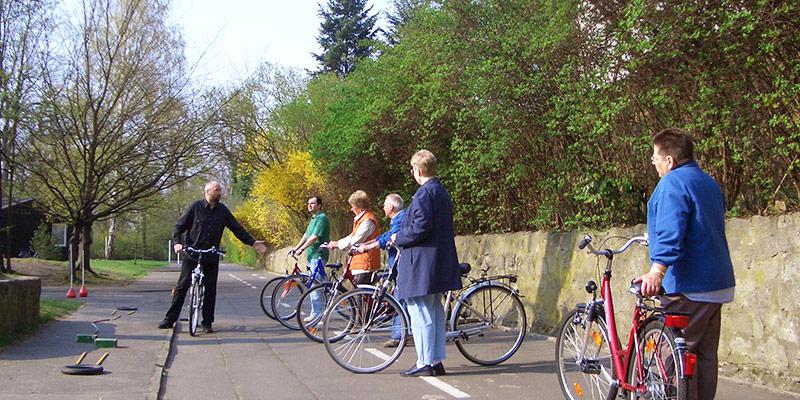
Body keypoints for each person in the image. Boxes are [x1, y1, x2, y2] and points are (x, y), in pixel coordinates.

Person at [633, 128, 736, 400]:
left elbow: (671, 230)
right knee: (703, 357)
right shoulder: (708, 182)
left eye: (655, 157)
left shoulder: (672, 183)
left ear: (670, 160)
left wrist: (657, 270)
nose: (653, 163)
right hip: (717, 284)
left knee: (674, 355)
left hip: (689, 285)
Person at [159, 181, 267, 332]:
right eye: (217, 190)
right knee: (182, 286)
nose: (220, 192)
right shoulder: (195, 207)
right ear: (208, 191)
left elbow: (237, 228)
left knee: (210, 289)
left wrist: (252, 242)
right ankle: (169, 319)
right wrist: (177, 243)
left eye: (220, 190)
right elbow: (179, 226)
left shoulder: (222, 211)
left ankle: (207, 323)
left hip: (211, 254)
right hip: (192, 254)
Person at [391, 150, 462, 377]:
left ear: (418, 170)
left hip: (422, 264)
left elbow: (420, 228)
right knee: (434, 313)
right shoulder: (441, 192)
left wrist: (397, 238)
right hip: (438, 262)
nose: (413, 173)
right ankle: (435, 360)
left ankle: (425, 361)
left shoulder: (423, 194)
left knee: (421, 313)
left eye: (413, 169)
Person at [354, 193, 407, 347]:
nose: (383, 207)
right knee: (400, 297)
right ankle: (403, 333)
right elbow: (385, 235)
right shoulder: (397, 220)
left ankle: (398, 335)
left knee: (399, 298)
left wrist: (368, 246)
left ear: (391, 207)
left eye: (385, 204)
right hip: (397, 265)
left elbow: (390, 237)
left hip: (401, 265)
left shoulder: (401, 219)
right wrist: (372, 242)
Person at [289, 196, 331, 322]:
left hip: (318, 255)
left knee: (314, 284)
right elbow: (306, 235)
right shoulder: (313, 219)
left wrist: (301, 249)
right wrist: (296, 247)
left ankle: (316, 313)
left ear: (319, 205)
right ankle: (326, 308)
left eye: (312, 203)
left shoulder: (322, 218)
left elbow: (313, 237)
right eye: (308, 203)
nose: (309, 205)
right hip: (311, 255)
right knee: (321, 284)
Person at [327, 190, 381, 285]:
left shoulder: (367, 221)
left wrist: (337, 244)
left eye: (353, 206)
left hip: (365, 264)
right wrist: (337, 242)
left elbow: (355, 240)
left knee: (359, 297)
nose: (351, 209)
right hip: (360, 264)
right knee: (357, 295)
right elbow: (352, 236)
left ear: (358, 207)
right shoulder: (362, 220)